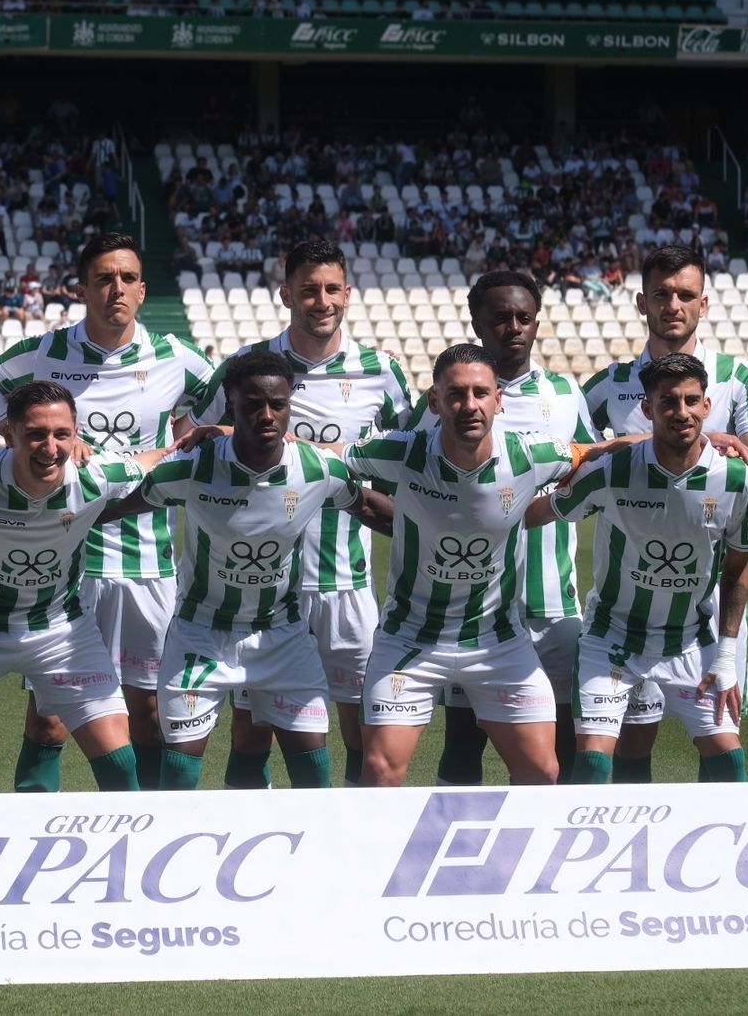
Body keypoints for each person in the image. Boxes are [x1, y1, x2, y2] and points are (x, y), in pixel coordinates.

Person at [0, 232, 216, 791]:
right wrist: (26, 442)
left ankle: (147, 830)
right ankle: (37, 828)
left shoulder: (177, 360)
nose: (115, 289)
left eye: (126, 279)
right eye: (103, 278)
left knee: (147, 711)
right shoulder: (44, 353)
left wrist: (193, 437)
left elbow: (221, 413)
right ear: (81, 289)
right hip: (60, 561)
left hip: (144, 562)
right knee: (50, 716)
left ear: (143, 290)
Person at [339, 344, 627, 788]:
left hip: (498, 640)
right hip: (410, 637)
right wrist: (227, 430)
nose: (468, 405)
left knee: (543, 771)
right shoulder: (402, 451)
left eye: (480, 393)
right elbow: (323, 452)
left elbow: (599, 451)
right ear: (434, 402)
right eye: (455, 394)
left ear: (498, 400)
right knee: (379, 770)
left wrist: (707, 441)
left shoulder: (530, 454)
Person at [101, 350, 389, 790]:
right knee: (178, 774)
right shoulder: (192, 468)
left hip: (284, 635)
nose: (267, 414)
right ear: (231, 406)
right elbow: (117, 504)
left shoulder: (318, 469)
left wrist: (444, 530)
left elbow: (370, 507)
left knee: (313, 770)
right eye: (252, 404)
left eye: (278, 404)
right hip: (201, 634)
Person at [187, 239, 413, 788]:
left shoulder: (380, 371)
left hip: (345, 583)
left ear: (348, 294)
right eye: (308, 289)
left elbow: (409, 452)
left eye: (331, 288)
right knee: (251, 730)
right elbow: (191, 436)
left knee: (361, 725)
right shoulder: (249, 369)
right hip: (262, 587)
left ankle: (355, 847)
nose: (321, 300)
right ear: (286, 293)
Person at [0, 380, 173, 794]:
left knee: (120, 762)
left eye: (62, 434)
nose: (50, 447)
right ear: (8, 435)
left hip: (59, 630)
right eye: (36, 434)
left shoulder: (96, 477)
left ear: (76, 433)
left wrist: (216, 432)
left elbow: (156, 459)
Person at [582, 243, 748, 783]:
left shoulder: (735, 376)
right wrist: (657, 441)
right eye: (663, 294)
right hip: (631, 586)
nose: (674, 304)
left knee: (716, 726)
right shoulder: (608, 384)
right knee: (633, 734)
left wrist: (699, 450)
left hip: (710, 595)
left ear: (704, 303)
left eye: (686, 294)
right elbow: (571, 463)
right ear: (642, 303)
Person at [399, 271, 594, 785]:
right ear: (477, 323)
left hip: (552, 603)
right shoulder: (446, 399)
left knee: (558, 748)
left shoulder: (563, 392)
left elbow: (592, 467)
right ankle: (454, 858)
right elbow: (409, 474)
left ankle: (551, 854)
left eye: (524, 317)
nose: (514, 327)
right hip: (472, 610)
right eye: (500, 317)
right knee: (464, 741)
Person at [530, 352, 748, 783]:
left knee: (729, 761)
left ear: (707, 407)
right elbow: (542, 511)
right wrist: (481, 512)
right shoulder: (613, 470)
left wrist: (727, 657)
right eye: (668, 401)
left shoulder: (737, 479)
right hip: (613, 636)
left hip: (690, 640)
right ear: (649, 409)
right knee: (594, 761)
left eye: (692, 400)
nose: (682, 412)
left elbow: (737, 573)